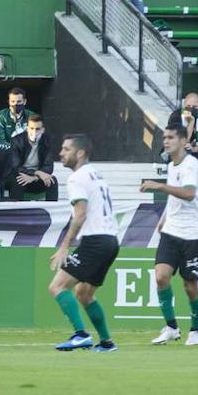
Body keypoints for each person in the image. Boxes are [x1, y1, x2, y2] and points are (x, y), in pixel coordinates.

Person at [142, 124, 198, 347]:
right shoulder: (172, 165)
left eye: (171, 137)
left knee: (190, 285)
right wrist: (164, 218)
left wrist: (159, 187)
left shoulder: (191, 165)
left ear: (183, 141)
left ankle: (196, 330)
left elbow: (190, 194)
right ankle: (171, 327)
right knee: (161, 276)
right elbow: (176, 196)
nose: (166, 141)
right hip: (172, 229)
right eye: (164, 137)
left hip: (194, 232)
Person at [48, 134, 118, 353]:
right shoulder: (96, 175)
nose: (61, 153)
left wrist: (64, 246)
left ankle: (81, 335)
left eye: (66, 149)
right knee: (84, 294)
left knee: (57, 287)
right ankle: (107, 343)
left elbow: (80, 215)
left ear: (80, 153)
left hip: (95, 240)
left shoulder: (77, 177)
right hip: (110, 241)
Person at [5, 115, 58, 202]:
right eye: (31, 128)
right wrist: (37, 173)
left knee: (52, 181)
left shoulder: (48, 141)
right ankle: (16, 213)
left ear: (42, 130)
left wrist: (34, 177)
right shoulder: (16, 141)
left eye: (37, 129)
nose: (34, 131)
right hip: (20, 175)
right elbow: (16, 167)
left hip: (37, 178)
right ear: (27, 128)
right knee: (19, 181)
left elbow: (49, 167)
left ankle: (51, 212)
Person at [0, 86, 35, 171]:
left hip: (26, 151)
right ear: (8, 102)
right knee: (2, 153)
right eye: (12, 101)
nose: (15, 104)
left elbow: (36, 139)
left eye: (19, 101)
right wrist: (15, 150)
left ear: (24, 102)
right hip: (7, 152)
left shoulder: (32, 117)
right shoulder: (0, 116)